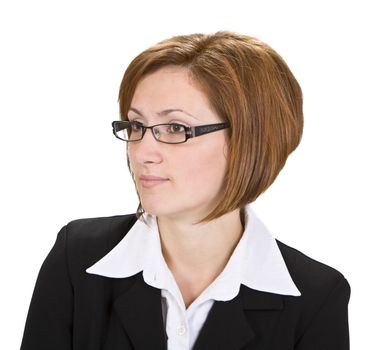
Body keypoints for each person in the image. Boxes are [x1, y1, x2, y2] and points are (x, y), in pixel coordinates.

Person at [20, 31, 351, 350]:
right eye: (136, 126)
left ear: (250, 140)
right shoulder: (77, 259)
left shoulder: (316, 298)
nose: (142, 152)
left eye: (176, 128)